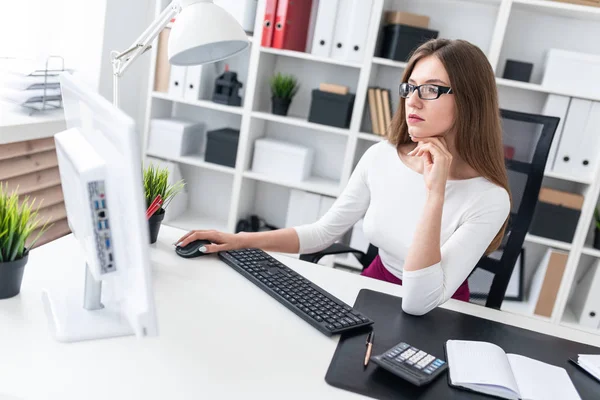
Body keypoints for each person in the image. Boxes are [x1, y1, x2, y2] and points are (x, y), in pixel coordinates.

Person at [175, 38, 512, 316]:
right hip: (371, 289)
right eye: (410, 87)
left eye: (431, 90)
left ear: (469, 101)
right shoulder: (382, 156)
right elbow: (324, 232)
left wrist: (435, 193)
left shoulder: (489, 198)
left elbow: (418, 301)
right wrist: (238, 240)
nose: (413, 101)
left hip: (440, 314)